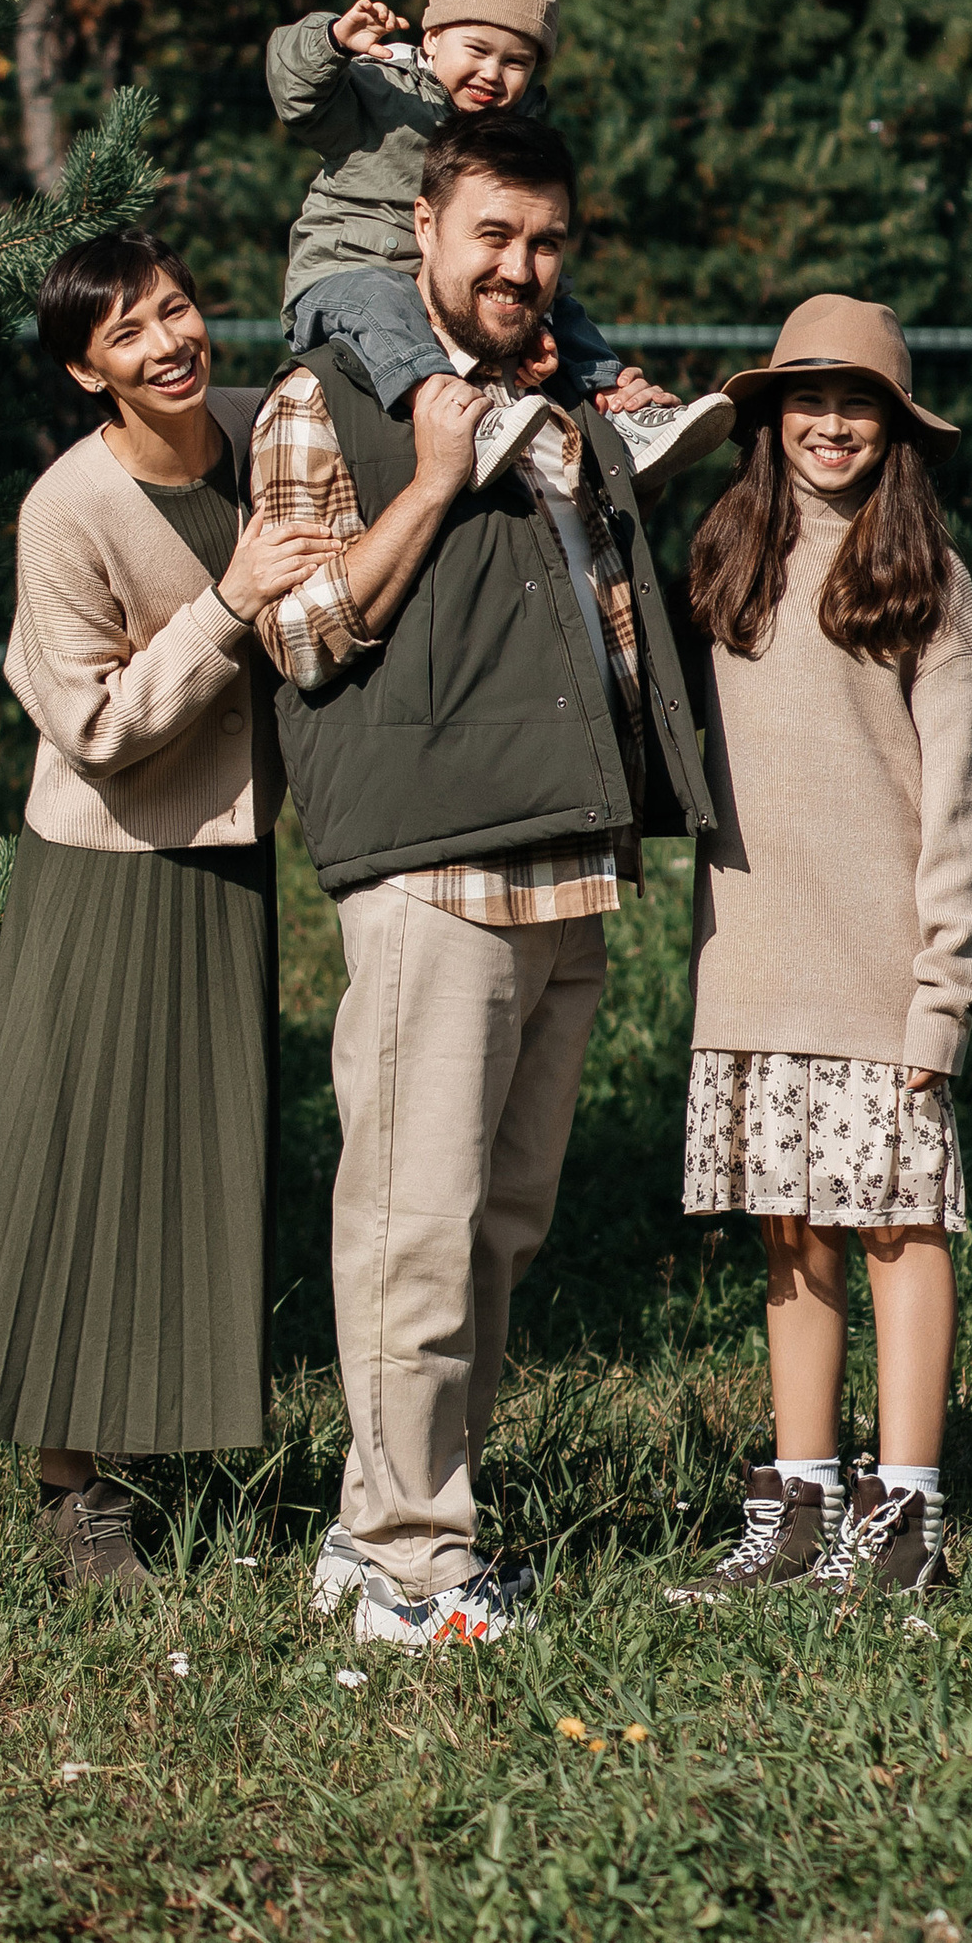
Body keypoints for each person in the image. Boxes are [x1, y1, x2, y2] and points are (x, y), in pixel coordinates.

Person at [247, 102, 716, 1647]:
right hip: (434, 869)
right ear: (425, 237)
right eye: (491, 236)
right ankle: (401, 1564)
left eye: (546, 241)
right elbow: (299, 634)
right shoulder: (327, 400)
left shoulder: (565, 396)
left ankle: (408, 1522)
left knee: (499, 1225)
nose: (520, 264)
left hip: (570, 863)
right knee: (412, 1219)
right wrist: (435, 480)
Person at [0, 231, 318, 1596]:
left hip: (225, 861)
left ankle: (158, 1446)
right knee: (71, 1166)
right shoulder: (68, 509)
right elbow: (97, 726)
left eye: (174, 308)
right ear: (83, 371)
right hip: (104, 868)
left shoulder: (251, 432)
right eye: (128, 335)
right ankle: (71, 1488)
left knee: (193, 1161)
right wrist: (227, 606)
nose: (169, 341)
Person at [674, 296, 972, 1609]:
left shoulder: (927, 578)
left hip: (884, 971)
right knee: (792, 1229)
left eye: (859, 402)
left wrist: (944, 993)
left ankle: (905, 1511)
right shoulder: (725, 558)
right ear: (768, 417)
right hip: (750, 963)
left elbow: (956, 806)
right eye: (807, 398)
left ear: (896, 429)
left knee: (897, 1228)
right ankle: (800, 1500)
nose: (831, 423)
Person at [265, 0, 730, 490]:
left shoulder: (514, 130)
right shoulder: (376, 92)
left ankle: (622, 411)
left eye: (516, 62)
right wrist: (333, 41)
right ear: (432, 39)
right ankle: (462, 420)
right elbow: (296, 94)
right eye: (478, 50)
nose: (493, 73)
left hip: (456, 288)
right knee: (383, 300)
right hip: (348, 277)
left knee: (560, 305)